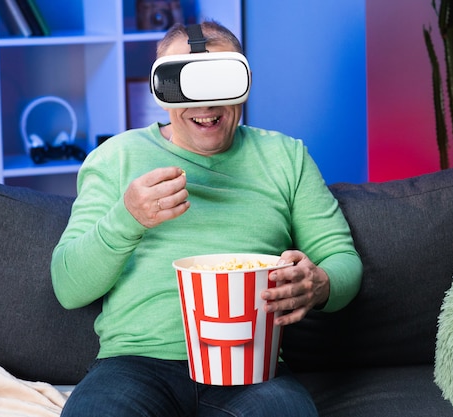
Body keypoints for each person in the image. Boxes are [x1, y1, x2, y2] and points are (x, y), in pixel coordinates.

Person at [51, 20, 362, 417]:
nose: (206, 106)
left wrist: (318, 284)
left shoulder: (286, 157)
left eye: (219, 84)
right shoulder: (117, 157)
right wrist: (128, 218)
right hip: (135, 366)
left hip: (252, 369)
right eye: (187, 87)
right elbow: (67, 285)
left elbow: (342, 258)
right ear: (162, 95)